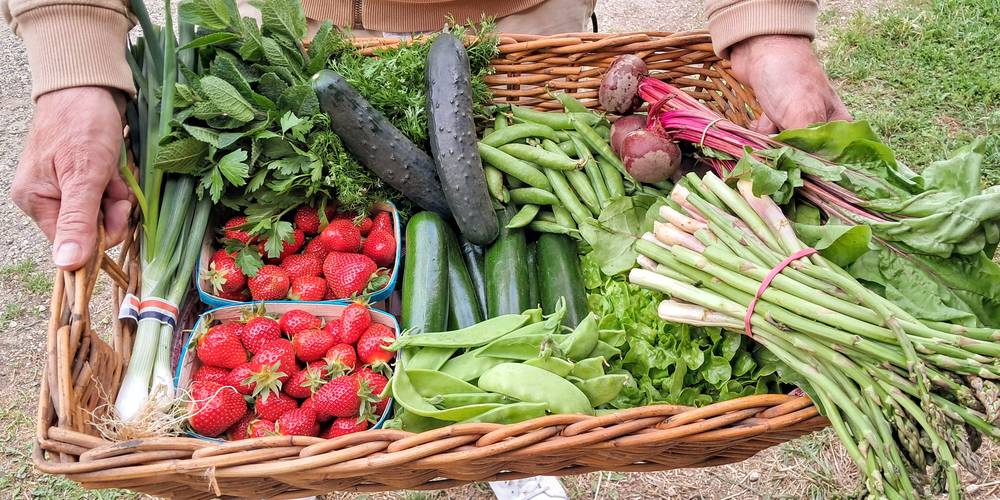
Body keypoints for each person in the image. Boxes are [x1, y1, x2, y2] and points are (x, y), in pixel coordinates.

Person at [1, 0, 845, 491]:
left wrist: (767, 23)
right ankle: (430, 431)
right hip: (292, 32)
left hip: (513, 29)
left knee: (487, 261)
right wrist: (73, 55)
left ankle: (511, 444)